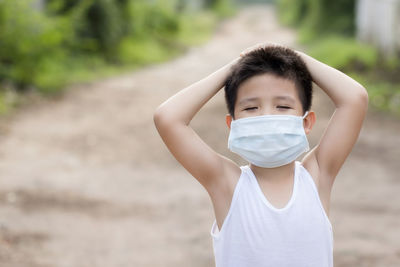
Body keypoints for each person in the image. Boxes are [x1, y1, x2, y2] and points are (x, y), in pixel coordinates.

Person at [153, 43, 368, 267]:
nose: (266, 116)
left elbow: (355, 98)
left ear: (306, 122)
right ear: (232, 124)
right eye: (250, 108)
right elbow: (168, 118)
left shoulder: (317, 177)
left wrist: (296, 58)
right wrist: (232, 69)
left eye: (283, 107)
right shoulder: (227, 185)